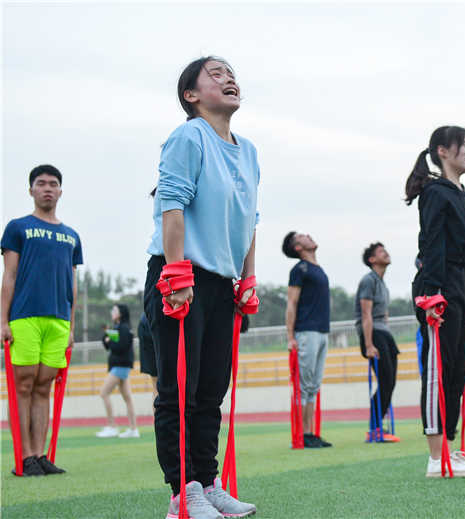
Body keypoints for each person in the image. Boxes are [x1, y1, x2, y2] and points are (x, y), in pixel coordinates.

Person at [143, 56, 258, 518]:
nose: (229, 78)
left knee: (211, 390)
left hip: (220, 283)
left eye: (231, 72)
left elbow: (250, 220)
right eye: (215, 73)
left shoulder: (248, 150)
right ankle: (182, 491)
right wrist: (175, 274)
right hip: (180, 277)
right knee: (178, 390)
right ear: (190, 95)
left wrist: (248, 278)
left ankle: (208, 483)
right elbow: (171, 205)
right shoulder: (187, 136)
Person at [406, 125, 465, 477]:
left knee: (455, 372)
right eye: (462, 145)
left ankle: (450, 452)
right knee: (438, 370)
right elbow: (432, 245)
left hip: (463, 285)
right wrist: (430, 295)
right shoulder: (436, 192)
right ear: (442, 150)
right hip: (440, 288)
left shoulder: (460, 193)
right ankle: (436, 458)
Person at [1, 164, 82, 477]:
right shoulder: (17, 228)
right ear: (31, 190)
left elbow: (72, 285)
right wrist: (2, 320)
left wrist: (72, 327)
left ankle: (40, 454)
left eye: (53, 184)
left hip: (58, 320)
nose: (47, 188)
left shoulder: (71, 236)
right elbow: (8, 276)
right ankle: (24, 457)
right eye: (41, 183)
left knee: (44, 386)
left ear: (60, 191)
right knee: (23, 385)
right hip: (24, 317)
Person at [283, 231, 332, 448]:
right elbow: (291, 303)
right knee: (304, 386)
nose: (309, 235)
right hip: (306, 332)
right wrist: (290, 336)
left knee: (313, 386)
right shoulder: (299, 270)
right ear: (297, 248)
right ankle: (303, 434)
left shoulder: (318, 269)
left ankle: (311, 433)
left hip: (321, 331)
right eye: (302, 236)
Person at [355, 242, 400, 442]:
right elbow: (366, 314)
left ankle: (378, 425)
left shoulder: (382, 283)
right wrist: (369, 344)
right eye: (381, 252)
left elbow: (385, 314)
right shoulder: (368, 280)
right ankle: (374, 428)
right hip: (374, 334)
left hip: (385, 333)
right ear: (372, 260)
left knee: (390, 381)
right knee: (385, 380)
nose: (387, 253)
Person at [96, 304, 138, 438]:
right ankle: (133, 429)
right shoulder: (117, 328)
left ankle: (112, 426)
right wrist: (106, 338)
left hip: (121, 366)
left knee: (104, 393)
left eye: (114, 310)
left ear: (121, 313)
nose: (112, 312)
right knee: (127, 398)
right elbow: (109, 345)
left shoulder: (124, 328)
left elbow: (121, 346)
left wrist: (110, 341)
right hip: (120, 366)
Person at [137, 312, 158, 398]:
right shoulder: (148, 316)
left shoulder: (144, 317)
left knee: (156, 390)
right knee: (157, 390)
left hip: (151, 359)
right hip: (156, 359)